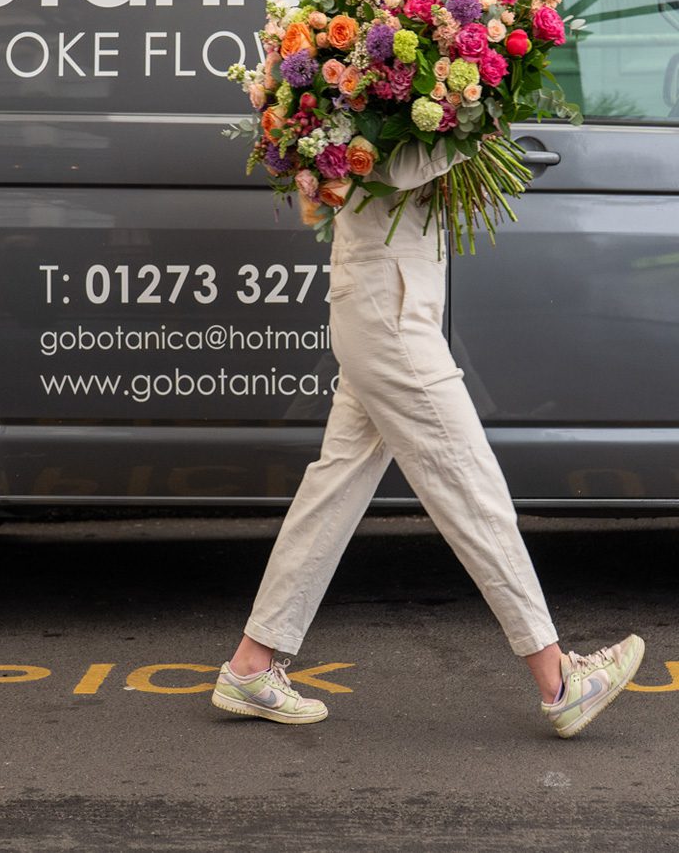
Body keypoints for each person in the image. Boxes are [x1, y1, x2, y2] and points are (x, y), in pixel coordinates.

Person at [211, 141, 644, 738]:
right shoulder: (366, 92)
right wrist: (473, 126)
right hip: (389, 316)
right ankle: (561, 680)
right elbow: (389, 164)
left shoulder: (350, 85)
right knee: (470, 485)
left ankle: (250, 666)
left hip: (382, 305)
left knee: (333, 492)